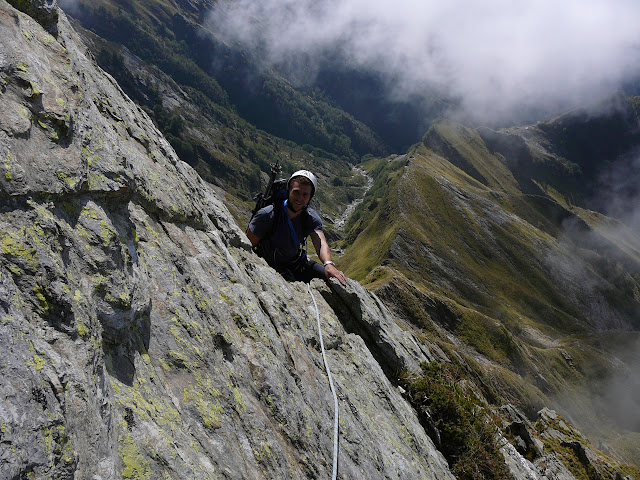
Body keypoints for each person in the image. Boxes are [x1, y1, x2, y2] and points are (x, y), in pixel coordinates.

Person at [247, 170, 347, 285]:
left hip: (295, 264)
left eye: (305, 195)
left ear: (310, 197)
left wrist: (328, 264)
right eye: (296, 192)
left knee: (332, 279)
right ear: (289, 191)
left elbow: (320, 242)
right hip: (267, 265)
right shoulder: (267, 215)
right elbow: (248, 245)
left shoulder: (310, 217)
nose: (300, 198)